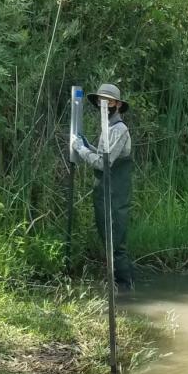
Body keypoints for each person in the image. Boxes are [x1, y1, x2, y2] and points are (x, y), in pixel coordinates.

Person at [72, 83, 135, 292]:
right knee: (109, 241)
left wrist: (80, 149)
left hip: (116, 195)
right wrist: (86, 144)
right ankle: (118, 290)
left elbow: (103, 163)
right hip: (104, 193)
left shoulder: (119, 129)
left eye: (108, 101)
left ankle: (125, 291)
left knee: (116, 245)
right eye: (101, 100)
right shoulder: (108, 128)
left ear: (117, 104)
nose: (104, 104)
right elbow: (101, 155)